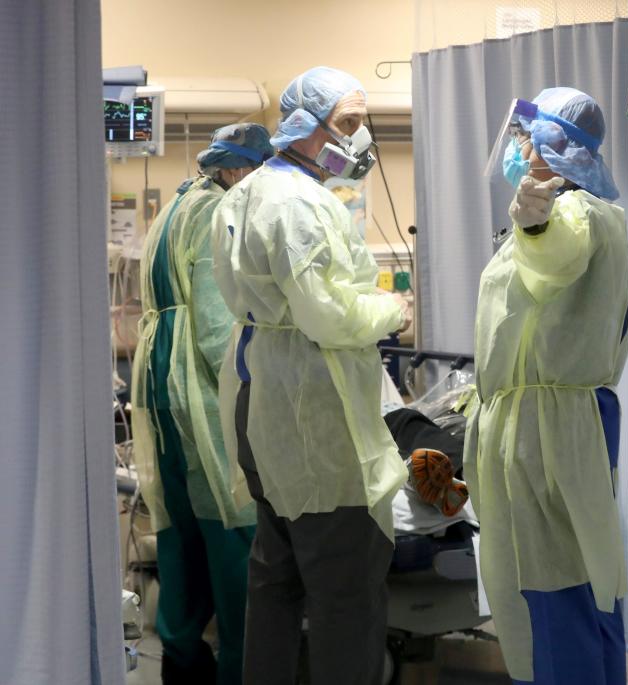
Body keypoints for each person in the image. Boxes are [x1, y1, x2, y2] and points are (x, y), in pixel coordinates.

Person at [211, 66, 413, 685]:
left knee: (276, 581)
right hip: (311, 415)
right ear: (306, 125)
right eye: (348, 124)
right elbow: (327, 313)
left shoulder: (244, 193)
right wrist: (392, 309)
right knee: (345, 594)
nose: (358, 140)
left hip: (261, 407)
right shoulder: (302, 203)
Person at [464, 87, 628, 685]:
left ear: (553, 146)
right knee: (576, 582)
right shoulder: (557, 210)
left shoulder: (577, 214)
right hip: (541, 423)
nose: (515, 148)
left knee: (557, 583)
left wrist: (536, 229)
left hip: (554, 429)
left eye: (524, 138)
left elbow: (558, 260)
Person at [130, 123, 274, 684]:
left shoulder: (174, 208)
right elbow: (220, 329)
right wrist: (255, 395)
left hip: (160, 387)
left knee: (181, 534)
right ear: (240, 170)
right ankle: (240, 666)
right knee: (231, 523)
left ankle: (184, 664)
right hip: (198, 391)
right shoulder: (218, 213)